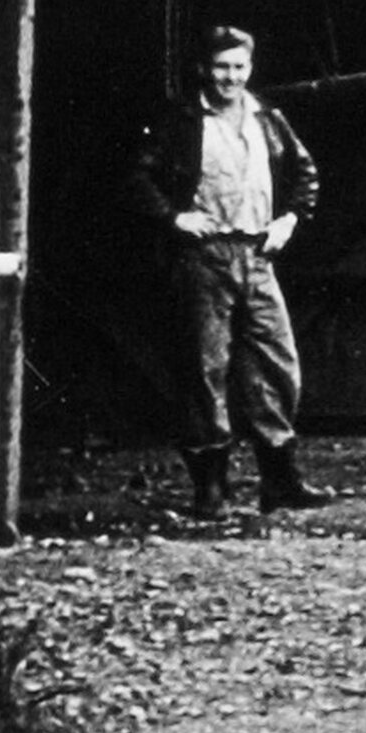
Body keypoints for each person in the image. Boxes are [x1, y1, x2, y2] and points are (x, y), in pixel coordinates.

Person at [130, 26, 332, 519]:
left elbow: (305, 175)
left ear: (251, 69)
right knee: (206, 367)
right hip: (205, 257)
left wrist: (289, 219)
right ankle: (210, 487)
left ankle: (279, 480)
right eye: (221, 67)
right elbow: (138, 176)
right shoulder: (181, 121)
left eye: (239, 67)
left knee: (276, 363)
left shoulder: (269, 120)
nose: (230, 77)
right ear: (205, 69)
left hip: (258, 255)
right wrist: (173, 217)